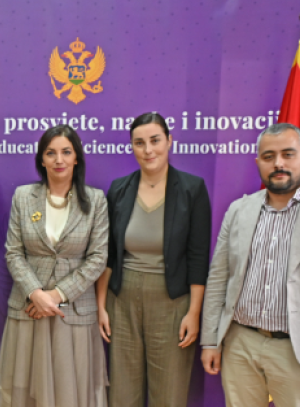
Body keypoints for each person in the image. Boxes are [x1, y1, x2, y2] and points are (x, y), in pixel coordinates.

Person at [200, 123, 300, 407]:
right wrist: (211, 341)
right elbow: (219, 279)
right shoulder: (239, 210)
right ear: (258, 162)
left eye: (288, 154)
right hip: (240, 345)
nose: (278, 164)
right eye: (269, 156)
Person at [95, 112, 211, 406]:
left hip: (172, 302)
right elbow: (108, 256)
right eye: (139, 143)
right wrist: (101, 307)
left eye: (155, 140)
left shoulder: (192, 189)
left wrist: (194, 313)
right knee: (122, 393)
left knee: (168, 394)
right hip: (122, 301)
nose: (148, 150)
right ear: (132, 147)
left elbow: (198, 258)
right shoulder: (119, 189)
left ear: (169, 141)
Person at [0, 124, 109, 407]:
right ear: (41, 159)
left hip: (74, 311)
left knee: (73, 391)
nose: (59, 160)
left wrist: (56, 296)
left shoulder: (95, 200)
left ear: (76, 158)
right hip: (29, 310)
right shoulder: (24, 196)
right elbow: (14, 253)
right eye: (51, 153)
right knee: (23, 393)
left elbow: (98, 258)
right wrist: (36, 294)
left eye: (66, 152)